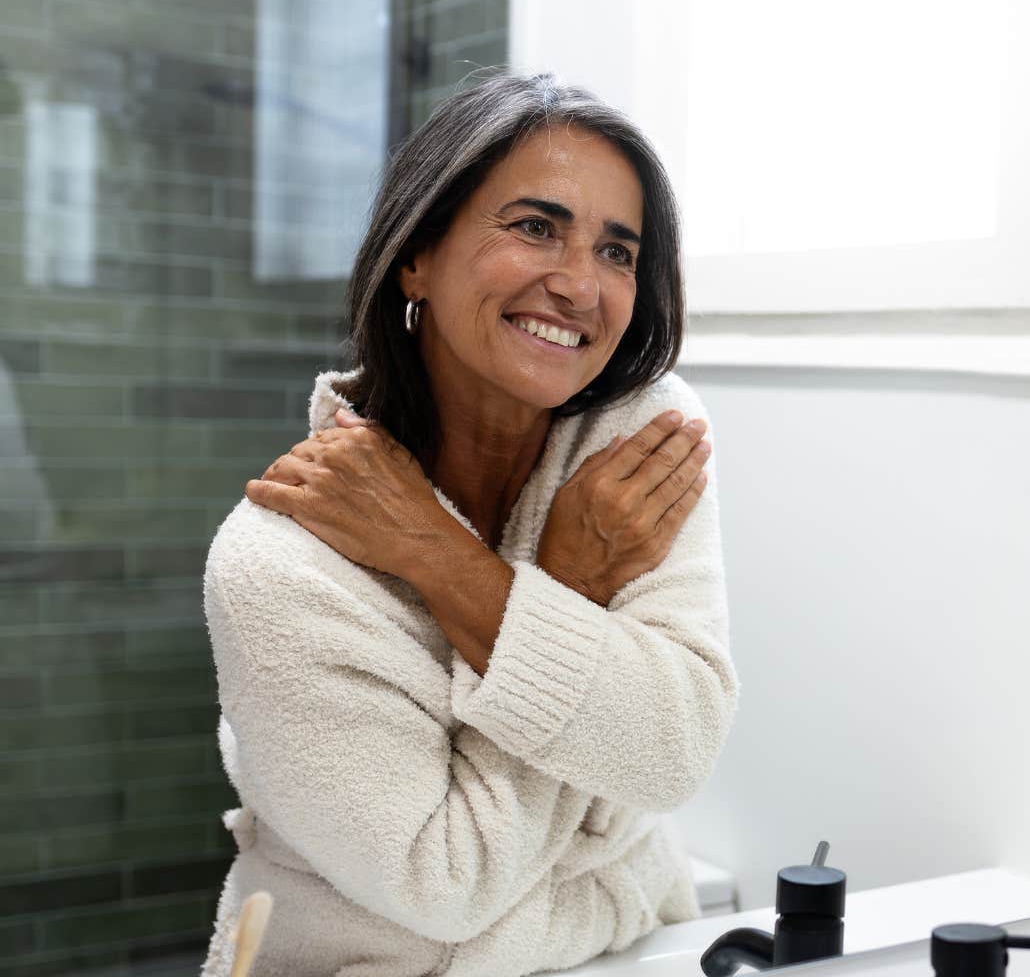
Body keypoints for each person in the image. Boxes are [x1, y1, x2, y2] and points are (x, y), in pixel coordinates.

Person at [200, 74, 738, 975]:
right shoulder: (278, 566)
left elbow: (673, 753)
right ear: (417, 254)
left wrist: (437, 557)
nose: (579, 284)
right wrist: (569, 589)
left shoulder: (640, 442)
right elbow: (443, 881)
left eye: (617, 251)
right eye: (535, 227)